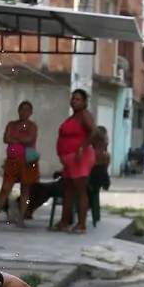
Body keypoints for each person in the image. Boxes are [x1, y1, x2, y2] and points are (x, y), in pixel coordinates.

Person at [0, 101, 39, 227]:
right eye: (22, 109)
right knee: (5, 188)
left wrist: (16, 139)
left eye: (27, 110)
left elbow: (30, 140)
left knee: (25, 190)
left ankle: (21, 219)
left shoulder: (32, 126)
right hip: (12, 161)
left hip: (27, 162)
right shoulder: (11, 124)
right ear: (18, 111)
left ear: (31, 112)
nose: (24, 112)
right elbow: (6, 138)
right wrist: (22, 139)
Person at [55, 89, 96, 233]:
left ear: (84, 102)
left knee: (80, 191)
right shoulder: (73, 117)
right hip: (69, 160)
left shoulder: (84, 115)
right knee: (68, 191)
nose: (74, 101)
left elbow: (93, 131)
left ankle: (82, 224)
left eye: (78, 99)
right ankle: (65, 221)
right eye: (73, 99)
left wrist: (81, 148)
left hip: (80, 158)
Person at [88, 125, 112, 228]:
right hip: (99, 182)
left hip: (90, 182)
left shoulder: (91, 153)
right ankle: (94, 211)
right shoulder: (106, 156)